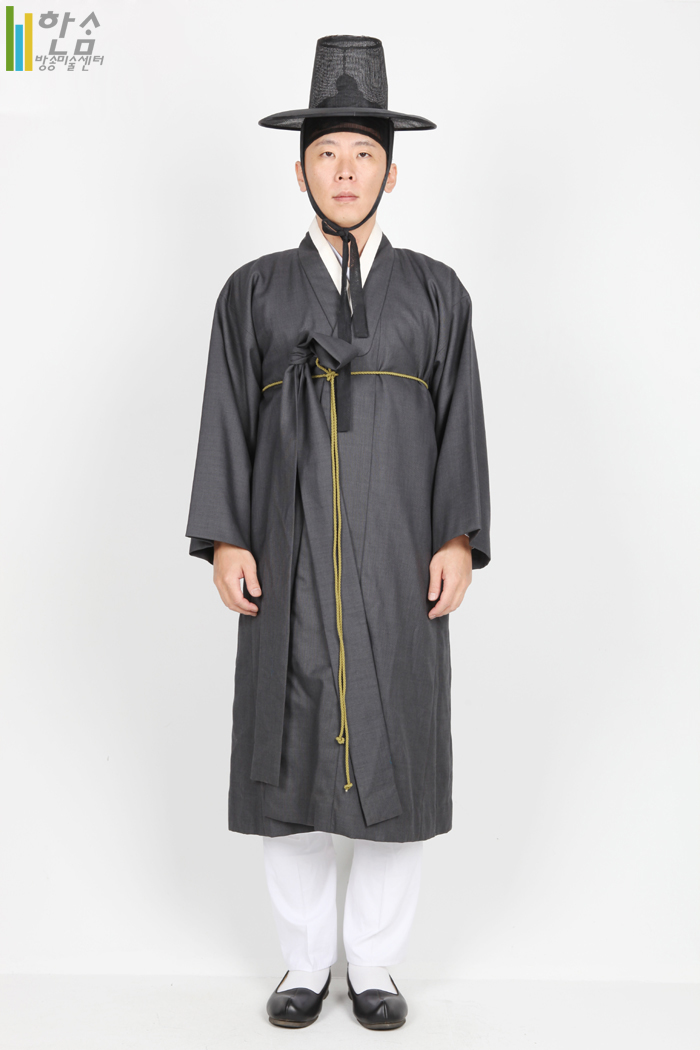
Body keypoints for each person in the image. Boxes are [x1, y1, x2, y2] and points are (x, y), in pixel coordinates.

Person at [185, 34, 491, 1030]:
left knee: (399, 741)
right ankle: (304, 963)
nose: (345, 171)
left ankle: (376, 967)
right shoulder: (253, 293)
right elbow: (226, 418)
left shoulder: (437, 293)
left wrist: (457, 536)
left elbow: (462, 423)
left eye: (363, 154)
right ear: (300, 170)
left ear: (391, 172)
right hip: (287, 562)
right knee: (288, 753)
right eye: (327, 154)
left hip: (400, 561)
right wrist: (228, 537)